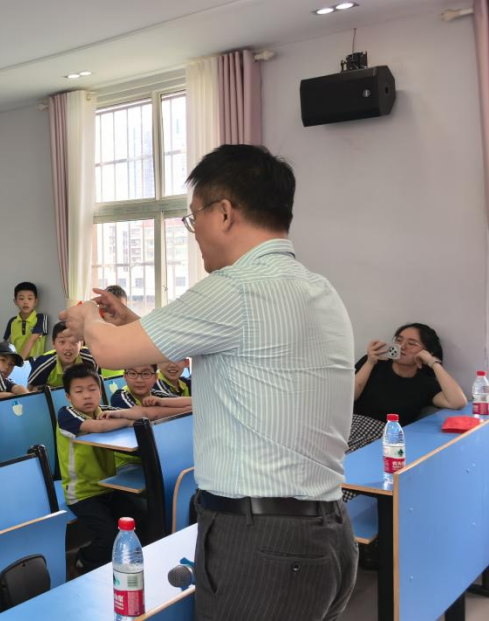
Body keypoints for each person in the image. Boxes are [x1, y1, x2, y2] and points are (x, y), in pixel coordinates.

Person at [60, 144, 358, 619]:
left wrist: (87, 318)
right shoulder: (317, 288)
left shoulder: (235, 288)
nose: (194, 231)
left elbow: (110, 353)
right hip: (326, 531)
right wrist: (129, 320)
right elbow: (212, 346)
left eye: (192, 217)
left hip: (262, 543)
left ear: (223, 213)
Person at [55, 364, 140, 573]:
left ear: (100, 391)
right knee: (109, 536)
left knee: (138, 521)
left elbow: (137, 415)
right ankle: (83, 559)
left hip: (108, 486)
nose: (87, 395)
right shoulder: (67, 415)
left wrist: (127, 417)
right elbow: (99, 427)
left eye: (92, 389)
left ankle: (120, 566)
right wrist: (128, 421)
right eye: (79, 391)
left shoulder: (104, 411)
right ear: (68, 396)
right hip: (82, 493)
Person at [354, 323, 467, 426]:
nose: (402, 346)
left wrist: (432, 362)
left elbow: (457, 402)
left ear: (426, 352)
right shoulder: (375, 362)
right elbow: (351, 396)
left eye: (411, 343)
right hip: (352, 427)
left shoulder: (425, 384)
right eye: (399, 340)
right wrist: (369, 363)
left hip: (388, 435)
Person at [27, 321, 98, 390]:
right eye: (62, 342)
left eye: (73, 342)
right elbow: (29, 390)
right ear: (53, 343)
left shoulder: (91, 359)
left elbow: (97, 386)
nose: (68, 348)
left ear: (81, 343)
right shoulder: (43, 364)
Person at [4, 282, 48, 361]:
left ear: (35, 301)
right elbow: (6, 345)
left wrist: (19, 363)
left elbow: (32, 340)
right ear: (15, 301)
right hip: (14, 363)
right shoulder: (12, 321)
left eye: (30, 298)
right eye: (21, 298)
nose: (25, 302)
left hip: (34, 365)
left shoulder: (41, 318)